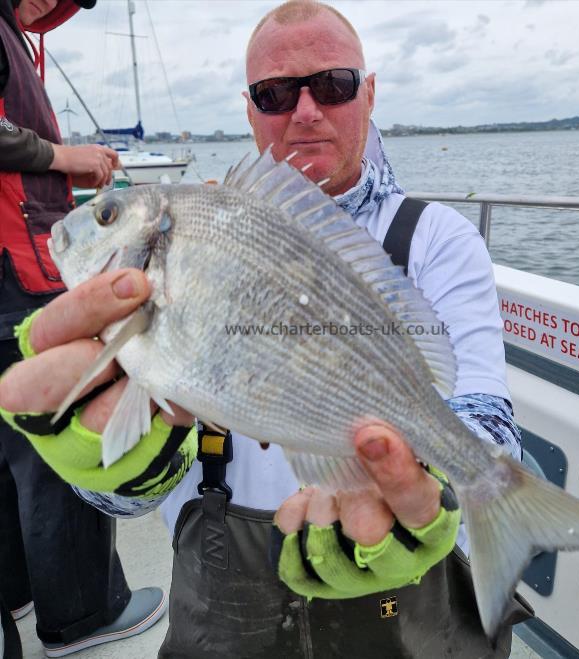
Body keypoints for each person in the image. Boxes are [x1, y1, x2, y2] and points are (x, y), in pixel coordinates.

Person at [0, 1, 530, 656]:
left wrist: (436, 496)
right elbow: (119, 504)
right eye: (275, 94)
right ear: (250, 111)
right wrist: (106, 466)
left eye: (332, 85)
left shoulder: (438, 240)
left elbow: (485, 417)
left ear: (368, 95)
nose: (305, 110)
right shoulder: (193, 245)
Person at [0, 0, 168, 655]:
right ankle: (84, 614)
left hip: (22, 258)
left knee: (10, 432)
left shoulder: (18, 32)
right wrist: (65, 157)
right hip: (21, 262)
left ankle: (16, 584)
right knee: (53, 429)